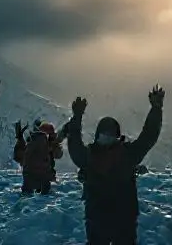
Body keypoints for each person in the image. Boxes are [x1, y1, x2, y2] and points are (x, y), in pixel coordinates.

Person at [66, 85, 165, 245]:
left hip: (97, 217)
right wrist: (156, 108)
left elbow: (74, 144)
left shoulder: (88, 156)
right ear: (118, 135)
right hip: (124, 216)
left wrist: (77, 116)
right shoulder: (128, 154)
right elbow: (149, 135)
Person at [13, 119, 64, 194]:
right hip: (44, 181)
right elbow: (58, 154)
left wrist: (20, 139)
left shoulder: (31, 145)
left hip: (31, 181)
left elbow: (18, 157)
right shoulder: (45, 146)